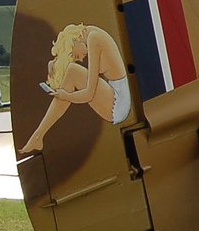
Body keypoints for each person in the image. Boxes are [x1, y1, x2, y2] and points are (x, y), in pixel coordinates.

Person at [20, 22, 129, 153]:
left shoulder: (94, 39)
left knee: (72, 71)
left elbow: (89, 94)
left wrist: (67, 96)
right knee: (71, 71)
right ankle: (38, 136)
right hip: (115, 96)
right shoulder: (90, 34)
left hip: (118, 104)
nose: (81, 59)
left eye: (75, 56)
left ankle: (38, 136)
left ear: (74, 42)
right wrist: (54, 63)